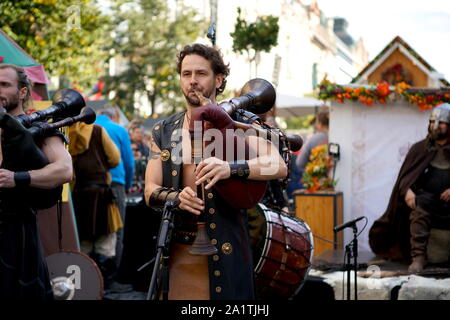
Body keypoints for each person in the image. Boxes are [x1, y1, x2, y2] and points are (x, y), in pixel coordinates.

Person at [144, 43, 287, 300]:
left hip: (226, 250)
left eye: (201, 73)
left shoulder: (240, 122)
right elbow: (149, 190)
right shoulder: (164, 131)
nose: (192, 81)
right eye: (186, 74)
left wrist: (230, 168)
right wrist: (175, 198)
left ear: (218, 79)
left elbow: (277, 165)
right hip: (177, 252)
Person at [0, 64, 73, 299]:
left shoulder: (40, 128)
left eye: (4, 85)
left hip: (17, 236)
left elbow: (64, 170)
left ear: (22, 92)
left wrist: (18, 178)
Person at [369, 103, 450, 273]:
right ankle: (418, 257)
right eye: (432, 121)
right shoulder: (420, 148)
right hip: (427, 202)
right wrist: (407, 191)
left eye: (441, 122)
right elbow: (406, 178)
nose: (435, 126)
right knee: (420, 207)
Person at [68, 118, 121, 287]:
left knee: (83, 244)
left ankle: (88, 286)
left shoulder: (63, 133)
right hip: (101, 193)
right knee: (105, 243)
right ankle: (105, 286)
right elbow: (115, 159)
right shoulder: (97, 130)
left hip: (77, 195)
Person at [95, 106, 135, 276]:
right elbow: (129, 163)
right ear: (114, 116)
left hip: (83, 186)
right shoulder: (119, 129)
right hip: (115, 185)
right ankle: (112, 276)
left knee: (89, 230)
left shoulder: (83, 126)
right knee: (116, 229)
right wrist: (127, 185)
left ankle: (91, 274)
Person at [295, 111, 329, 186]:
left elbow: (300, 162)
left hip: (316, 182)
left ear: (319, 124)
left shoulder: (313, 139)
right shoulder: (338, 137)